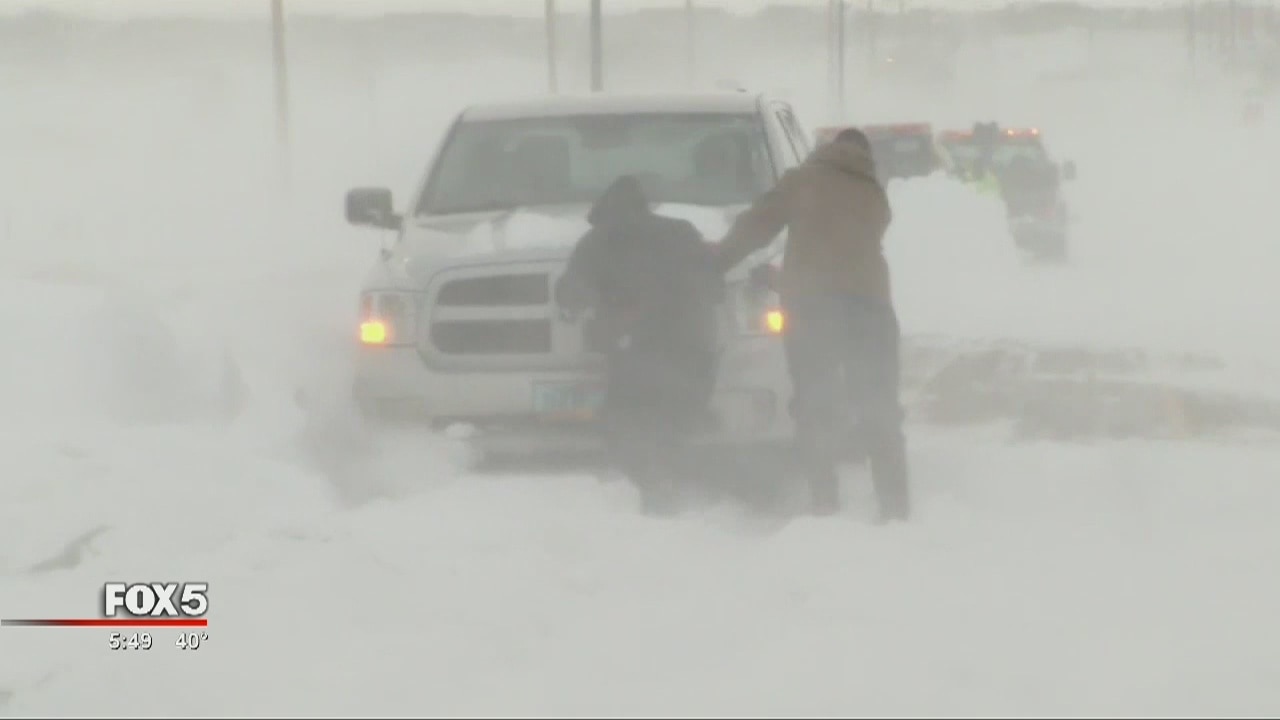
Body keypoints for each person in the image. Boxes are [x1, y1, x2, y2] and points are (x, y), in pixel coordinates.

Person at [712, 127, 910, 521]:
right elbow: (846, 254)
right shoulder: (873, 192)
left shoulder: (803, 180)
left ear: (827, 149)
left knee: (815, 402)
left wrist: (714, 264)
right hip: (872, 307)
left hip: (814, 309)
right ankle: (895, 505)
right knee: (878, 406)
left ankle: (825, 500)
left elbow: (758, 226)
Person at [554, 175, 723, 514]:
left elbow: (571, 295)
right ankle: (672, 477)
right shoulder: (682, 232)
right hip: (689, 346)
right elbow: (714, 285)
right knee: (674, 414)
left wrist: (584, 309)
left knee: (628, 417)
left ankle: (649, 485)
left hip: (630, 348)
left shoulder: (597, 241)